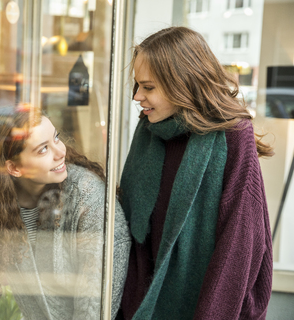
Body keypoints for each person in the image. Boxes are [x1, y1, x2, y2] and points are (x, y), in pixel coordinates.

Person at [119, 26, 274, 320]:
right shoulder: (149, 129)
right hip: (143, 303)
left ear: (182, 82)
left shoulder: (233, 135)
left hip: (208, 306)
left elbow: (240, 243)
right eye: (137, 85)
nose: (137, 96)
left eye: (148, 87)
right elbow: (130, 222)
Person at [0, 106, 131, 320]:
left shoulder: (88, 196)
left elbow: (93, 307)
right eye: (43, 149)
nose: (61, 152)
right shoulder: (1, 210)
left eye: (56, 138)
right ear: (14, 168)